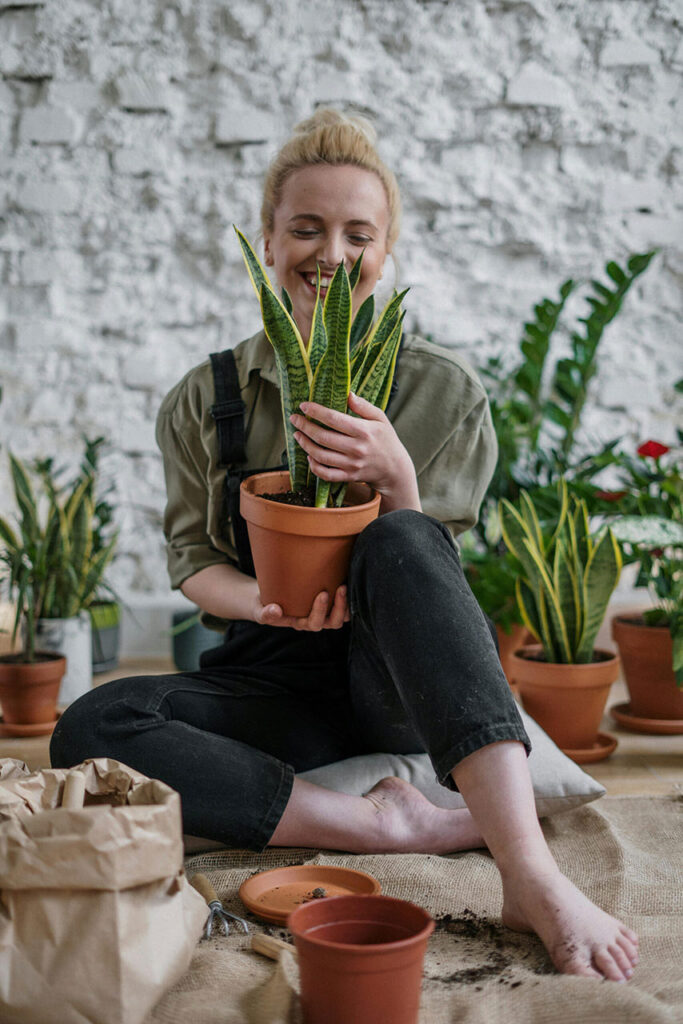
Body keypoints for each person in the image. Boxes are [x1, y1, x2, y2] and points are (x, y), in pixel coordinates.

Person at [51, 109, 638, 982]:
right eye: (305, 228)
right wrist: (266, 602)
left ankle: (529, 873)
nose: (329, 253)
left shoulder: (442, 391)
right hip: (272, 673)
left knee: (401, 535)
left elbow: (435, 583)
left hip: (395, 684)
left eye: (356, 234)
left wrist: (395, 479)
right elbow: (193, 565)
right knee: (89, 726)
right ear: (269, 240)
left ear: (385, 248)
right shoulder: (202, 398)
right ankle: (387, 824)